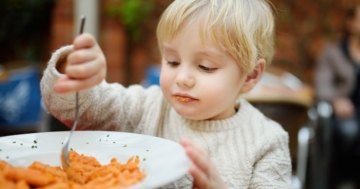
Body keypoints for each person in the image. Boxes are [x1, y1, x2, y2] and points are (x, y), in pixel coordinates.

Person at [41, 0, 292, 188]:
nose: (182, 78)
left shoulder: (267, 142)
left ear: (250, 75)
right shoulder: (146, 107)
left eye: (205, 66)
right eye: (172, 62)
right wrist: (73, 74)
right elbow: (70, 109)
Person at [315, 4, 360, 189]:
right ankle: (343, 181)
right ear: (351, 23)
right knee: (349, 131)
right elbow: (321, 86)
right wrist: (336, 100)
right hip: (346, 114)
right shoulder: (333, 53)